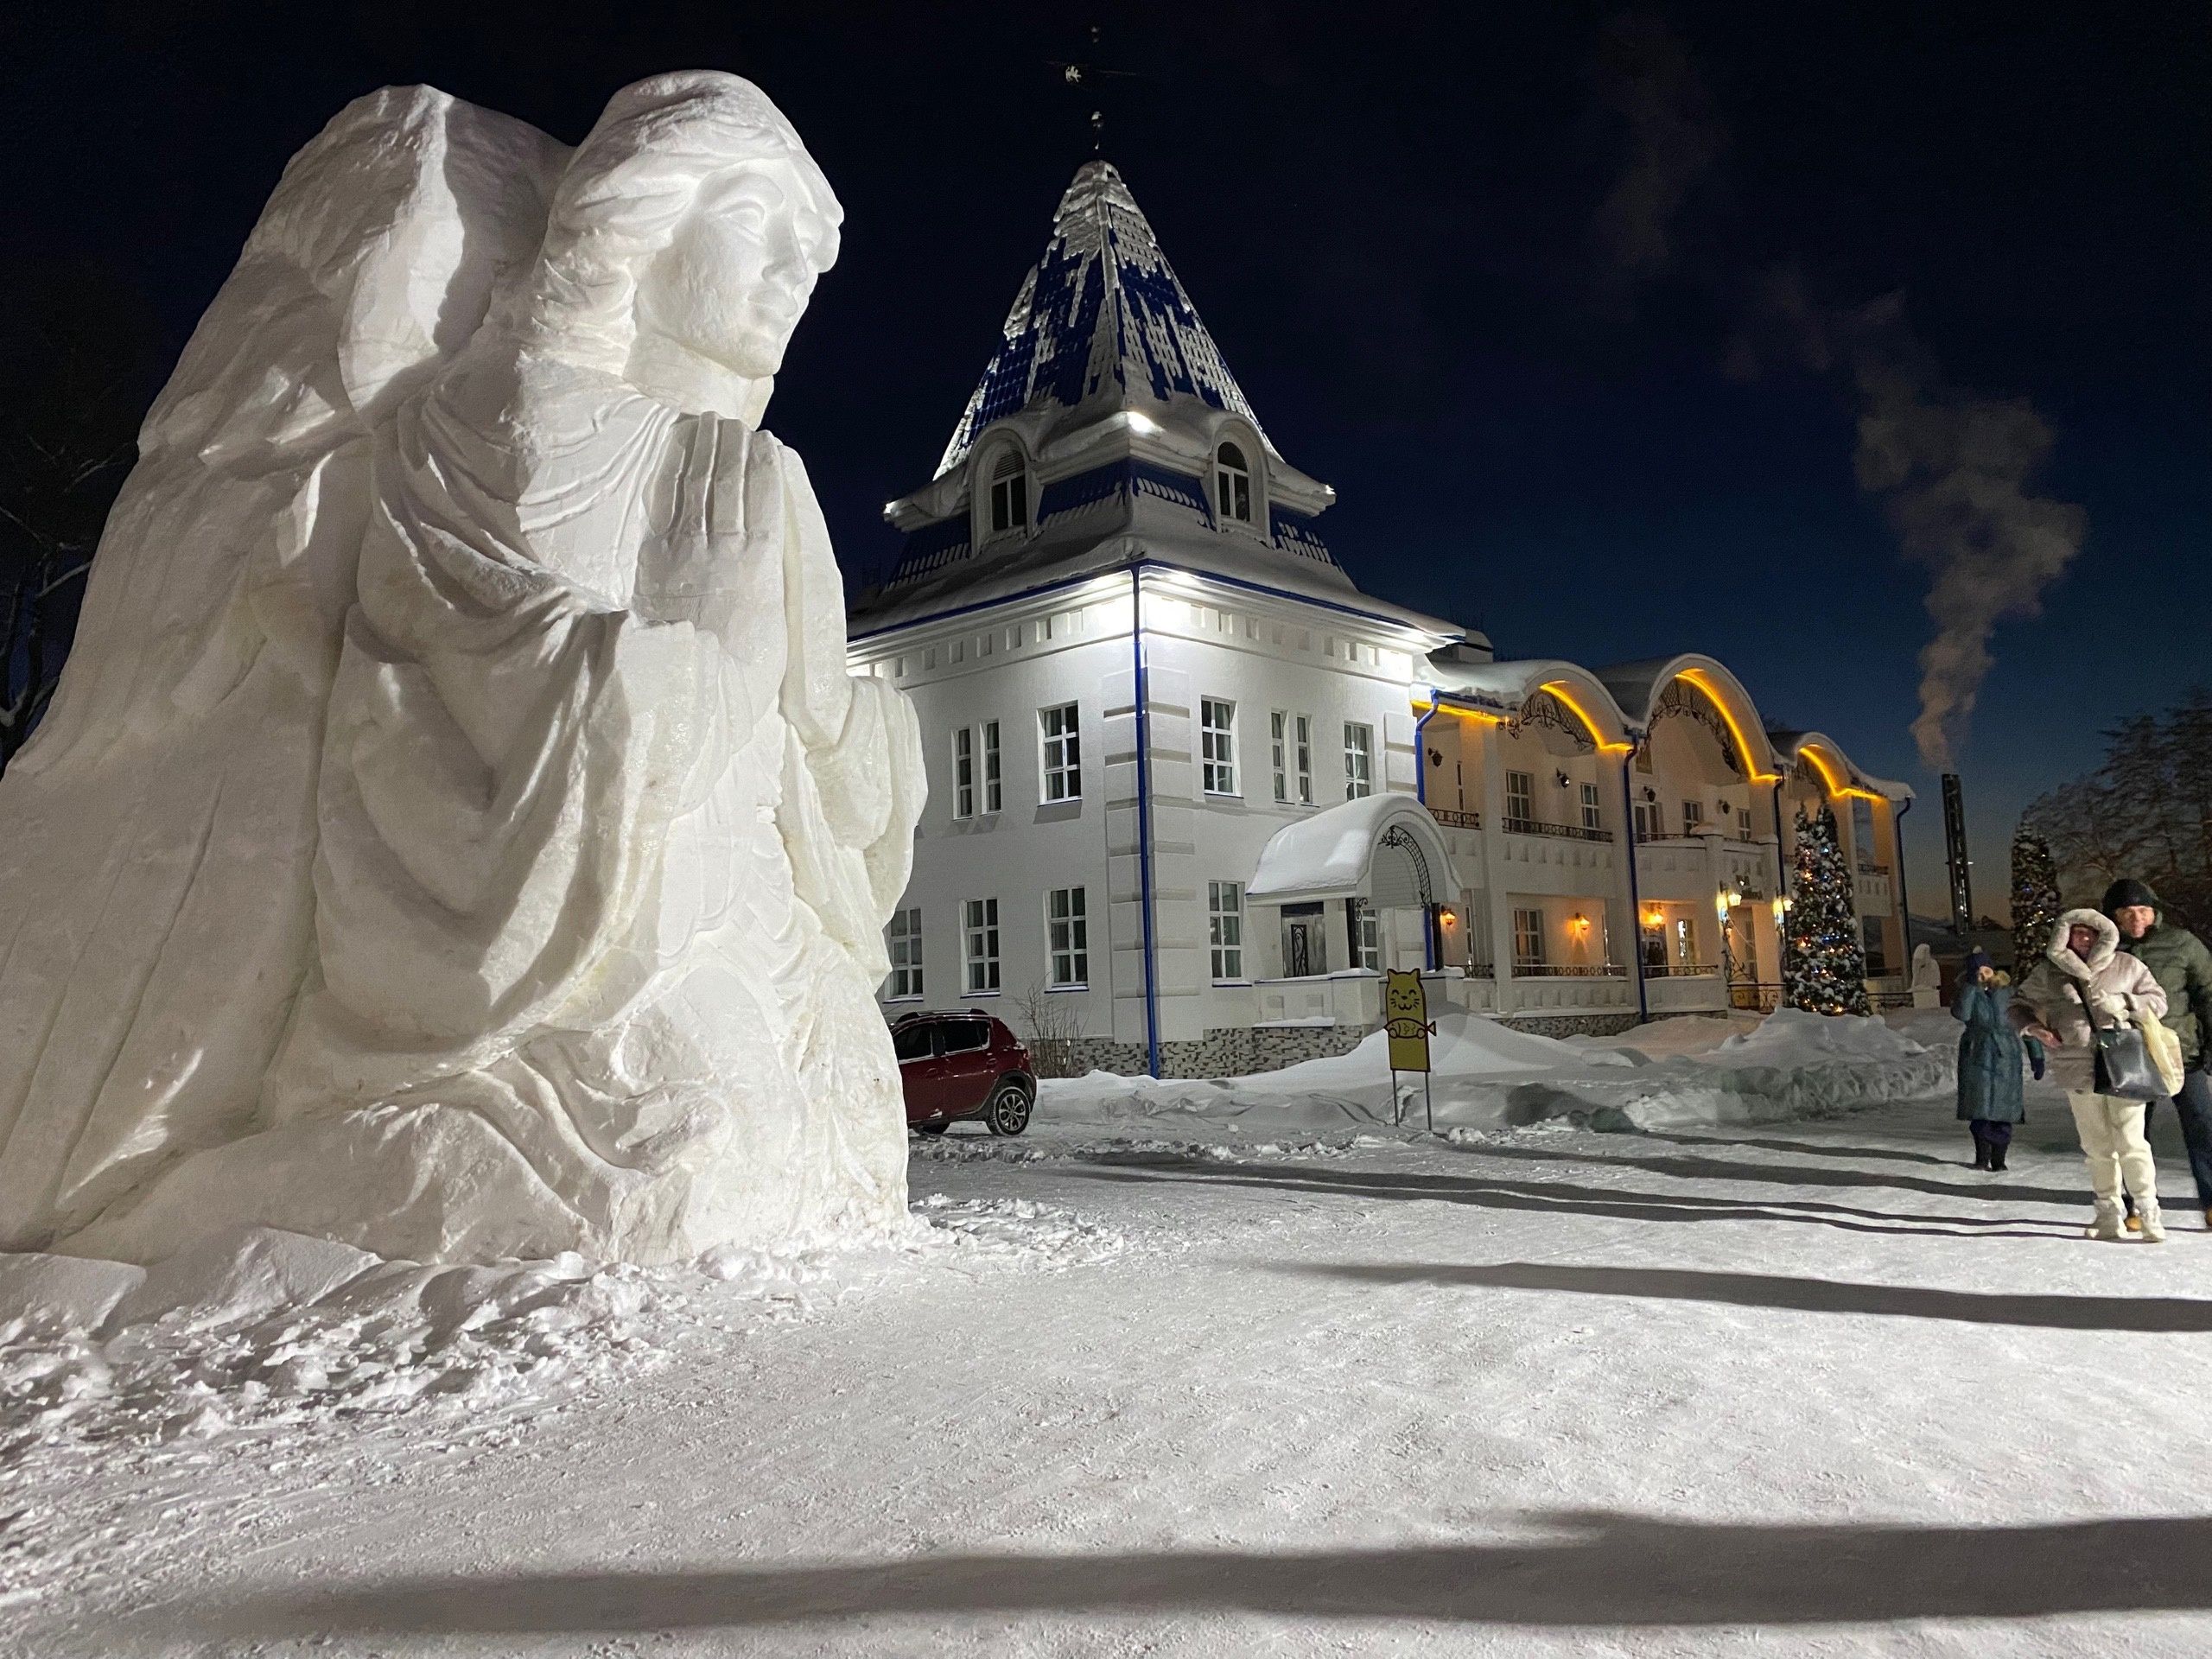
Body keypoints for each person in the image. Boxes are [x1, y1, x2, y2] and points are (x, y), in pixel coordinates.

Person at [2012, 909, 2170, 1241]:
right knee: (2096, 1146)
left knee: (2132, 1142)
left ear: (2103, 934)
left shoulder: (2127, 965)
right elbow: (2017, 1005)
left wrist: (2124, 1003)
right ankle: (2108, 1214)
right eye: (2075, 933)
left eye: (2089, 933)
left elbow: (2158, 1001)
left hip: (2126, 1063)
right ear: (2063, 936)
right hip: (2076, 1065)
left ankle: (2148, 1210)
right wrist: (2035, 1029)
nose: (2082, 939)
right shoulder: (2048, 973)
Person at [2105, 878, 2212, 1230]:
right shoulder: (2105, 950)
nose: (2136, 919)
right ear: (2113, 916)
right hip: (2130, 1058)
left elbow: (2208, 992)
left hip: (2182, 1053)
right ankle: (2136, 1204)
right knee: (2132, 1134)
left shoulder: (2181, 944)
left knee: (2202, 1127)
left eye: (2143, 911)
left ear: (2155, 912)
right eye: (2127, 912)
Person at [1953, 950, 2026, 1170]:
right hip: (1977, 1053)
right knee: (1980, 1108)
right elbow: (1962, 1014)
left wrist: (2036, 1054)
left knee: (2004, 1109)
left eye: (1986, 970)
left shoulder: (2008, 993)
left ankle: (1999, 1159)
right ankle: (1982, 1157)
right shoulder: (1969, 992)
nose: (1983, 975)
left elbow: (2023, 1021)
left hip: (2006, 1055)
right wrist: (1970, 987)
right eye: (1978, 972)